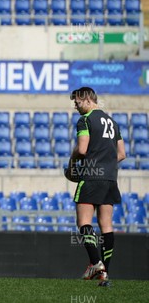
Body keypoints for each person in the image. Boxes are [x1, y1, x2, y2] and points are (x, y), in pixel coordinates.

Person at [67, 87, 126, 284]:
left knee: (84, 222)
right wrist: (106, 165)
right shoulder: (113, 122)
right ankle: (105, 274)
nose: (75, 105)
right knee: (106, 225)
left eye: (77, 101)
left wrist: (72, 159)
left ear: (86, 99)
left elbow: (83, 149)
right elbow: (122, 154)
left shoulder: (85, 120)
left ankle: (95, 263)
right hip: (110, 178)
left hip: (91, 177)